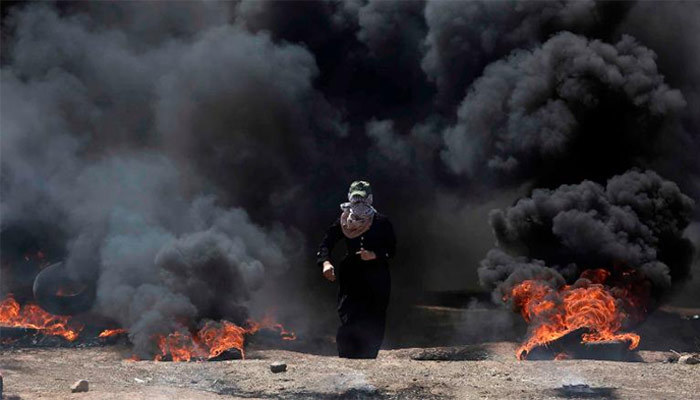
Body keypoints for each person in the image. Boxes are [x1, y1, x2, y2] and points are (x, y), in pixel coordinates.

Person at [317, 180, 396, 358]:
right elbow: (326, 243)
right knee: (349, 314)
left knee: (374, 316)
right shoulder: (344, 221)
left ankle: (368, 355)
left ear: (370, 199)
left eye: (363, 198)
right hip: (352, 275)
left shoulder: (381, 222)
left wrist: (374, 254)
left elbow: (392, 250)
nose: (359, 203)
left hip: (376, 276)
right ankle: (347, 355)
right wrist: (325, 262)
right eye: (355, 198)